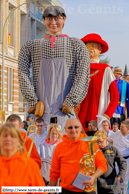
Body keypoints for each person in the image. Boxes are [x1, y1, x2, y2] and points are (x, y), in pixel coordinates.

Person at [18, 6, 90, 135]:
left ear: (64, 19)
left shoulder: (76, 45)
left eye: (58, 18)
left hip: (64, 108)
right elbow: (22, 71)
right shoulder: (30, 46)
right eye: (49, 18)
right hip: (41, 108)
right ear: (44, 20)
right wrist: (32, 100)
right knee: (40, 144)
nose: (53, 23)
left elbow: (82, 74)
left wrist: (71, 101)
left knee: (66, 143)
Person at [50, 118, 107, 194]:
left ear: (80, 128)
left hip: (87, 190)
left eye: (76, 127)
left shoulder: (90, 143)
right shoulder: (59, 147)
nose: (73, 130)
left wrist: (93, 177)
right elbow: (54, 172)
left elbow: (102, 164)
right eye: (70, 127)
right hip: (66, 191)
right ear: (65, 129)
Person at [77, 33, 119, 132]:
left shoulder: (105, 69)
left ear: (100, 50)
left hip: (98, 117)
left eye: (95, 45)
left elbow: (115, 96)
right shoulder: (78, 68)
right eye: (88, 45)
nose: (91, 48)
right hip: (79, 117)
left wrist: (106, 116)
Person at [0, 123, 46, 192]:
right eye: (5, 136)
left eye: (12, 136)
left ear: (19, 141)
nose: (8, 139)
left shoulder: (30, 166)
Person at [94, 130, 127, 194]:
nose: (99, 144)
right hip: (98, 182)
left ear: (106, 139)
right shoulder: (95, 150)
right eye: (97, 142)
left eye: (101, 142)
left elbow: (122, 162)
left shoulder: (113, 149)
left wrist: (121, 175)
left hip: (111, 182)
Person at [107, 121, 129, 194]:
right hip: (116, 160)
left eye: (123, 127)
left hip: (127, 160)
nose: (121, 128)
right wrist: (112, 146)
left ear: (127, 128)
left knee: (126, 180)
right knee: (116, 178)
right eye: (120, 126)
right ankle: (117, 192)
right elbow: (108, 139)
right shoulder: (115, 135)